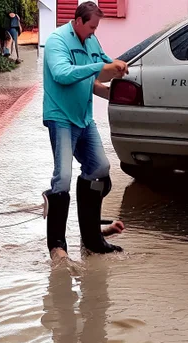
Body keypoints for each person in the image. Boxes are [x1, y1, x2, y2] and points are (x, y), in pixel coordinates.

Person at [42, 1, 128, 261]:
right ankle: (57, 245)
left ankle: (92, 238)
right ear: (78, 21)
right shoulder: (57, 41)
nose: (94, 32)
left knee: (100, 169)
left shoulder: (91, 41)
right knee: (63, 177)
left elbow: (100, 75)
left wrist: (117, 85)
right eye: (91, 27)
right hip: (60, 118)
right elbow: (63, 75)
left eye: (96, 28)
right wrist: (100, 69)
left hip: (83, 118)